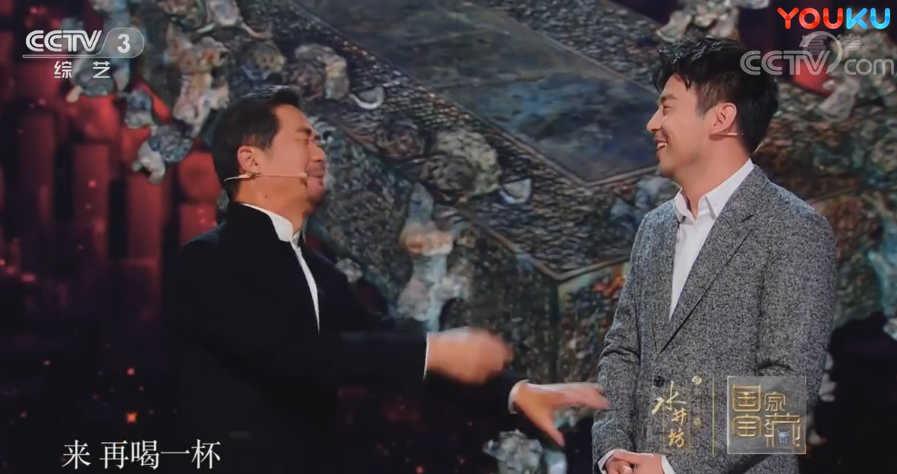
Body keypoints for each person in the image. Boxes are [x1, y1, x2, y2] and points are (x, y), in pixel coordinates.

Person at [164, 85, 609, 474]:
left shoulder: (317, 272)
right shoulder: (206, 261)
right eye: (303, 140)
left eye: (318, 140)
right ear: (251, 160)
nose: (320, 154)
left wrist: (512, 392)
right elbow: (294, 354)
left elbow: (392, 350)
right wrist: (436, 350)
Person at [591, 37, 837, 474]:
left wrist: (675, 467)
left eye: (667, 108)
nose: (652, 123)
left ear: (722, 118)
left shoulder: (793, 228)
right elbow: (622, 351)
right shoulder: (654, 228)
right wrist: (612, 450)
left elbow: (786, 387)